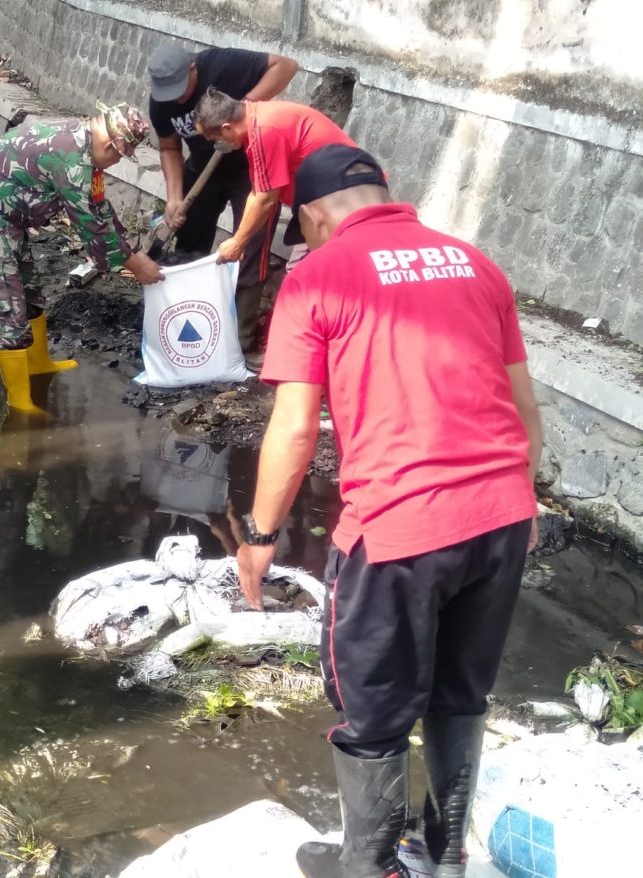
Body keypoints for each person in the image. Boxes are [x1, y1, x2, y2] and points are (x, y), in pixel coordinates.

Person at [231, 145, 541, 878]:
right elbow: (523, 405)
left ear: (310, 215)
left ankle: (368, 866)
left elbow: (295, 427)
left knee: (370, 714)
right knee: (460, 693)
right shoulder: (475, 264)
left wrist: (258, 535)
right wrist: (523, 504)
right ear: (382, 191)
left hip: (400, 530)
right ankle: (444, 853)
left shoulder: (317, 278)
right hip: (501, 517)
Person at [0, 103, 164, 413]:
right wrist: (135, 263)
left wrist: (130, 251)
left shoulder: (84, 147)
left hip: (2, 214)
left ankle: (39, 364)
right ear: (111, 145)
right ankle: (18, 400)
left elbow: (99, 209)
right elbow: (92, 225)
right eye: (119, 157)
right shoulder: (71, 160)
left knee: (28, 285)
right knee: (3, 299)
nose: (113, 165)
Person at [147, 43, 299, 361]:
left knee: (251, 245)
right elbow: (169, 148)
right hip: (204, 168)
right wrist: (174, 197)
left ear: (192, 67)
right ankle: (189, 323)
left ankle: (239, 339)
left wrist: (244, 109)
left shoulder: (222, 63)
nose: (175, 98)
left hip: (250, 167)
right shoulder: (161, 102)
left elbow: (286, 66)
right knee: (189, 243)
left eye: (180, 88)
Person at [192, 88, 358, 271]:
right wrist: (237, 239)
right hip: (324, 202)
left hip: (345, 203)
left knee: (302, 274)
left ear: (227, 128)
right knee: (300, 272)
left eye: (216, 139)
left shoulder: (265, 130)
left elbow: (266, 200)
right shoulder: (255, 120)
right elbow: (256, 193)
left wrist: (239, 242)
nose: (219, 144)